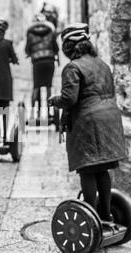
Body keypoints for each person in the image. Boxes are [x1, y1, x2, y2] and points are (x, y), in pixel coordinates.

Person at [48, 23, 126, 222]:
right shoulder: (102, 64)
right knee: (101, 169)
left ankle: (91, 217)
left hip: (88, 123)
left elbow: (69, 99)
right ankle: (106, 214)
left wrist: (54, 100)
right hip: (110, 121)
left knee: (87, 169)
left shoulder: (73, 67)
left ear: (69, 48)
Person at [25, 13, 59, 123]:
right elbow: (56, 47)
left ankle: (32, 114)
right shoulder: (51, 31)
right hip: (49, 61)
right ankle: (50, 112)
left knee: (36, 87)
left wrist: (31, 53)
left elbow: (27, 49)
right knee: (48, 87)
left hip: (37, 63)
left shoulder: (30, 33)